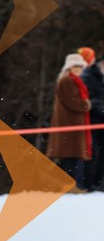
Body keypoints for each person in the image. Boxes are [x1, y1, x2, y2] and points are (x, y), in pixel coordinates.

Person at [46, 53, 92, 188]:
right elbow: (73, 101)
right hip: (70, 126)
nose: (78, 69)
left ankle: (66, 185)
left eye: (80, 66)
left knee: (69, 158)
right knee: (70, 157)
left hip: (71, 125)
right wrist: (86, 104)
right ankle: (70, 186)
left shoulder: (71, 80)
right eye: (75, 66)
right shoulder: (68, 81)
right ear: (69, 67)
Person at [80, 49, 104, 191]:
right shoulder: (87, 76)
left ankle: (100, 183)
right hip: (92, 121)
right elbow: (90, 100)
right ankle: (88, 184)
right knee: (91, 152)